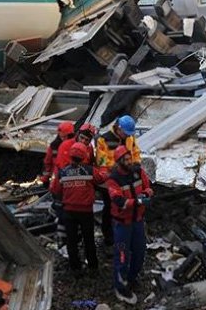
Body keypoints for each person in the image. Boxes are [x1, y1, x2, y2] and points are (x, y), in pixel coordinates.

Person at [50, 142, 107, 275]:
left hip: (69, 212)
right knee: (89, 240)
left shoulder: (63, 172)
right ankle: (93, 267)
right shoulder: (89, 170)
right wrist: (105, 170)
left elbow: (55, 189)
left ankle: (75, 268)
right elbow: (100, 179)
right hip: (85, 211)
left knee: (71, 241)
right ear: (84, 156)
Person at [106, 145, 153, 305]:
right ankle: (120, 287)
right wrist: (138, 201)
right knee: (122, 256)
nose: (128, 161)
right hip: (122, 225)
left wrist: (146, 194)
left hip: (137, 221)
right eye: (125, 160)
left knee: (140, 252)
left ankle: (131, 278)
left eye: (129, 158)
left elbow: (148, 187)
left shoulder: (138, 171)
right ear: (119, 162)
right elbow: (119, 201)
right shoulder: (113, 179)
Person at [95, 115, 141, 246]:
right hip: (109, 180)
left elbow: (135, 152)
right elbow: (102, 161)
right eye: (125, 133)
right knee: (110, 208)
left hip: (125, 178)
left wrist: (136, 164)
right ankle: (109, 236)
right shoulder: (104, 140)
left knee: (126, 206)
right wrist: (117, 167)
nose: (127, 136)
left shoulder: (130, 138)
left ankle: (125, 233)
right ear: (118, 128)